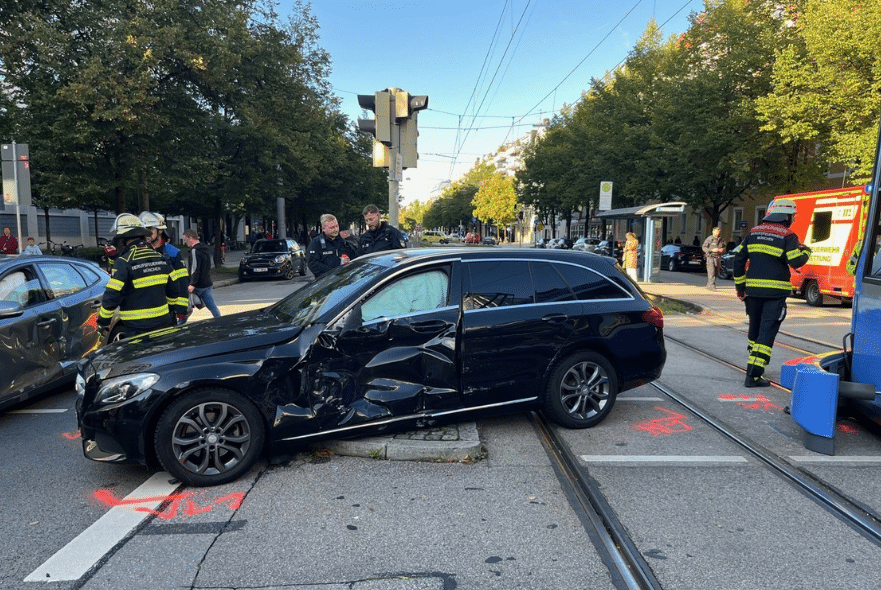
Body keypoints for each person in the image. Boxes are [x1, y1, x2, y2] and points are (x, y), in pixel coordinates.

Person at [734, 198, 811, 388]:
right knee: (766, 333)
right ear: (786, 216)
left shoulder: (753, 232)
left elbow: (738, 260)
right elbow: (796, 261)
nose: (793, 219)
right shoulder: (788, 235)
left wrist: (740, 288)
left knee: (755, 331)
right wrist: (807, 251)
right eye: (792, 216)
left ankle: (754, 362)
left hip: (752, 293)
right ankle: (753, 375)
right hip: (775, 294)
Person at [97, 213, 185, 338]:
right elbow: (174, 289)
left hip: (136, 328)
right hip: (163, 323)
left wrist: (103, 322)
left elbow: (112, 295)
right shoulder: (161, 258)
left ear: (123, 240)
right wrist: (170, 310)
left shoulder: (124, 262)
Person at [140, 211, 189, 320]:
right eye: (144, 230)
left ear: (160, 230)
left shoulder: (173, 253)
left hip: (168, 310)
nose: (147, 233)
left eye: (150, 229)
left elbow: (182, 281)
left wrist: (181, 309)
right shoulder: (141, 252)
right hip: (148, 310)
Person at [183, 229, 221, 318]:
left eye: (185, 240)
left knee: (187, 307)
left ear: (191, 238)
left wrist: (192, 283)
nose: (185, 242)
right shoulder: (205, 249)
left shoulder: (194, 251)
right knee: (212, 306)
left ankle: (180, 324)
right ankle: (220, 320)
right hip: (207, 282)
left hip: (197, 285)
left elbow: (195, 268)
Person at [307, 214, 357, 278]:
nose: (335, 229)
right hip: (326, 281)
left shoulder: (342, 241)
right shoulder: (316, 243)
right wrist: (337, 265)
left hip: (344, 279)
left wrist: (349, 260)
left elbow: (355, 257)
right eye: (332, 227)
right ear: (323, 229)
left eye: (336, 226)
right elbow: (313, 264)